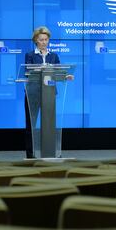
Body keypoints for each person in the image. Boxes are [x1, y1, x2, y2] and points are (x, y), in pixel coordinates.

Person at [24, 26, 72, 158]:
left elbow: (58, 73)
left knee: (50, 124)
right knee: (31, 126)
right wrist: (42, 69)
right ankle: (30, 154)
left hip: (49, 94)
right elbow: (28, 72)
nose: (44, 42)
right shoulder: (30, 55)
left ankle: (52, 152)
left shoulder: (54, 56)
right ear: (36, 41)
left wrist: (65, 76)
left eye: (46, 39)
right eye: (41, 40)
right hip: (33, 94)